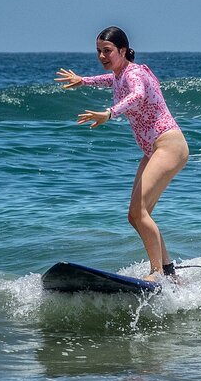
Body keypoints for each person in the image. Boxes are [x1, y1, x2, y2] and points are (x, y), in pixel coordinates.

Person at [55, 26, 189, 281]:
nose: (102, 56)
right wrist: (83, 80)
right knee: (135, 215)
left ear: (123, 51)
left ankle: (156, 272)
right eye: (99, 51)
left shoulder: (134, 74)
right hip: (154, 150)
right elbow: (108, 79)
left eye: (107, 51)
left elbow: (137, 94)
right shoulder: (120, 74)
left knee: (140, 213)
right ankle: (169, 270)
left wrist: (109, 112)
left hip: (168, 146)